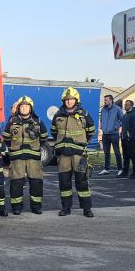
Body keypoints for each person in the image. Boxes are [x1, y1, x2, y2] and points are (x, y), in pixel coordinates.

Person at [51, 87, 96, 217]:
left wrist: (82, 143)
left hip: (79, 154)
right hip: (63, 154)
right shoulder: (58, 115)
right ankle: (66, 208)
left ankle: (87, 209)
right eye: (66, 100)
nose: (68, 101)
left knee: (82, 181)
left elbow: (91, 131)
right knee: (64, 182)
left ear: (76, 100)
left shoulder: (84, 114)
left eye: (71, 99)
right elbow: (54, 132)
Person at [2, 95, 46, 214]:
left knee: (36, 182)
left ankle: (36, 207)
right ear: (19, 108)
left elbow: (44, 137)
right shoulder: (12, 121)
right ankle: (16, 208)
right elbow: (6, 137)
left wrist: (35, 147)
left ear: (31, 108)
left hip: (33, 158)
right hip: (17, 158)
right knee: (16, 183)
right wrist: (14, 148)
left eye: (26, 106)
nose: (24, 108)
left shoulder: (37, 121)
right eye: (22, 106)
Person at [98, 95, 124, 175]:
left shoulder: (117, 109)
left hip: (114, 134)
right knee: (106, 153)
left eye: (106, 100)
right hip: (105, 134)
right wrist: (102, 127)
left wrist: (116, 127)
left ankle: (120, 169)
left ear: (111, 100)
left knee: (117, 152)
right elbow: (101, 119)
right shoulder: (103, 110)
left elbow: (123, 120)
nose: (104, 101)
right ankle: (106, 169)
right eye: (104, 100)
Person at [120, 99, 135, 179]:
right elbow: (124, 127)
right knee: (125, 156)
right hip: (124, 138)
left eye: (127, 105)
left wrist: (130, 137)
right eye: (125, 104)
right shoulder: (125, 115)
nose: (125, 106)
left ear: (131, 106)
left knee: (132, 155)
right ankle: (125, 171)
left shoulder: (134, 115)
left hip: (130, 139)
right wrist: (122, 135)